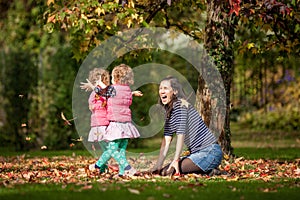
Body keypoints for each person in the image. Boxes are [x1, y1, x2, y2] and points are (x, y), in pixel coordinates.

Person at [151, 76, 223, 176]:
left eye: (165, 88)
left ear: (175, 91)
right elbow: (166, 141)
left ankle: (209, 169)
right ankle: (210, 171)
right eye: (160, 88)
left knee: (168, 172)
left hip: (210, 152)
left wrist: (176, 160)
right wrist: (158, 165)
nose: (162, 91)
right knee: (163, 171)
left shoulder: (181, 105)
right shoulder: (169, 112)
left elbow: (181, 134)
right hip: (197, 154)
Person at [87, 64, 142, 177]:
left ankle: (99, 166)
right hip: (127, 125)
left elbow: (101, 91)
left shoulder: (113, 89)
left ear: (115, 78)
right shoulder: (127, 90)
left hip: (116, 125)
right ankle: (122, 173)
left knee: (112, 150)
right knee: (121, 150)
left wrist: (96, 84)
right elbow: (127, 101)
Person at [80, 68, 114, 173]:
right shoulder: (97, 94)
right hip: (100, 124)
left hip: (101, 124)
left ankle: (102, 168)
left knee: (107, 149)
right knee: (109, 150)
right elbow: (92, 107)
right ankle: (99, 166)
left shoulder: (103, 92)